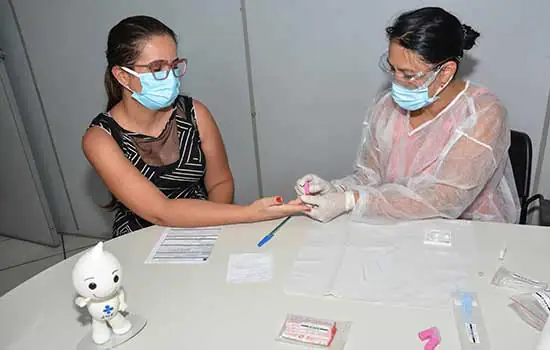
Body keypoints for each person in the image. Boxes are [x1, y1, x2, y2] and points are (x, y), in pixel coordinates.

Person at [83, 15, 308, 237]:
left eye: (173, 65)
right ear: (122, 76)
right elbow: (161, 211)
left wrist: (211, 230)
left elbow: (220, 181)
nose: (170, 76)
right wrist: (249, 214)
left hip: (205, 225)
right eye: (156, 68)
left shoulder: (194, 114)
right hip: (138, 237)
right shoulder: (101, 139)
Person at [295, 7, 520, 224]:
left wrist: (350, 201)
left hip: (471, 231)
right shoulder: (386, 107)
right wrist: (337, 189)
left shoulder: (482, 113)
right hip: (397, 225)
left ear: (446, 72)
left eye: (408, 74)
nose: (397, 81)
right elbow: (370, 177)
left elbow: (446, 199)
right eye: (393, 69)